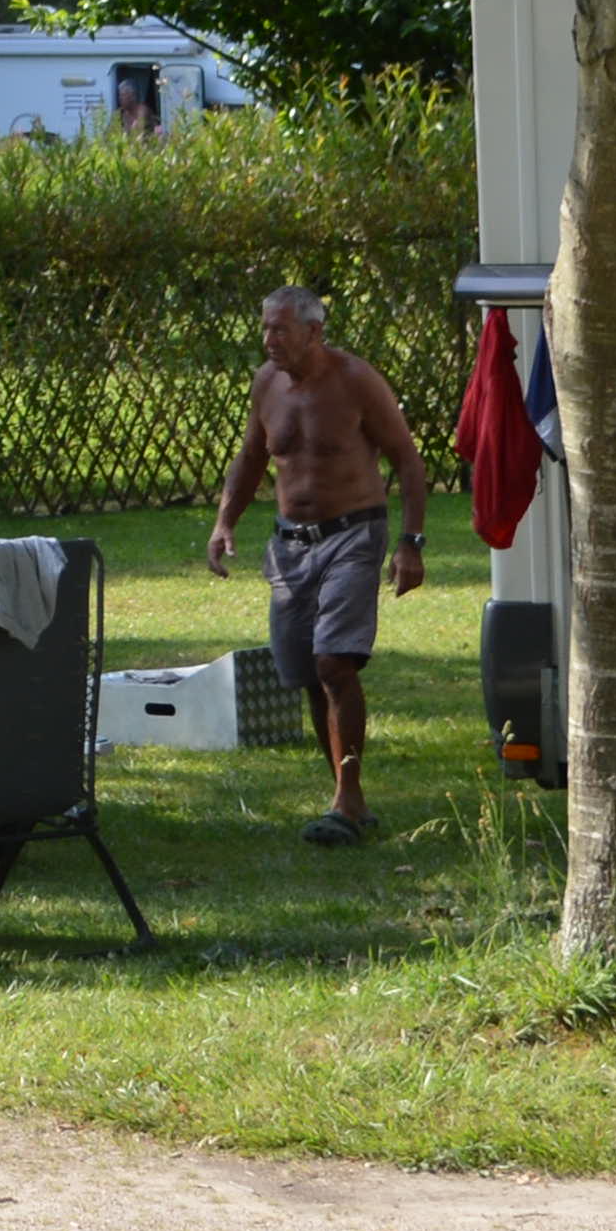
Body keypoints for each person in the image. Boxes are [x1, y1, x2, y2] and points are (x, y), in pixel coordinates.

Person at [203, 284, 427, 846]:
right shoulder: (265, 382)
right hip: (289, 545)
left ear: (314, 331)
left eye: (280, 328)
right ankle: (347, 797)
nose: (269, 339)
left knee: (334, 663)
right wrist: (224, 522)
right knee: (305, 670)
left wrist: (411, 543)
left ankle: (346, 802)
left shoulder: (356, 381)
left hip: (354, 533)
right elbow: (253, 456)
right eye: (264, 328)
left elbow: (407, 460)